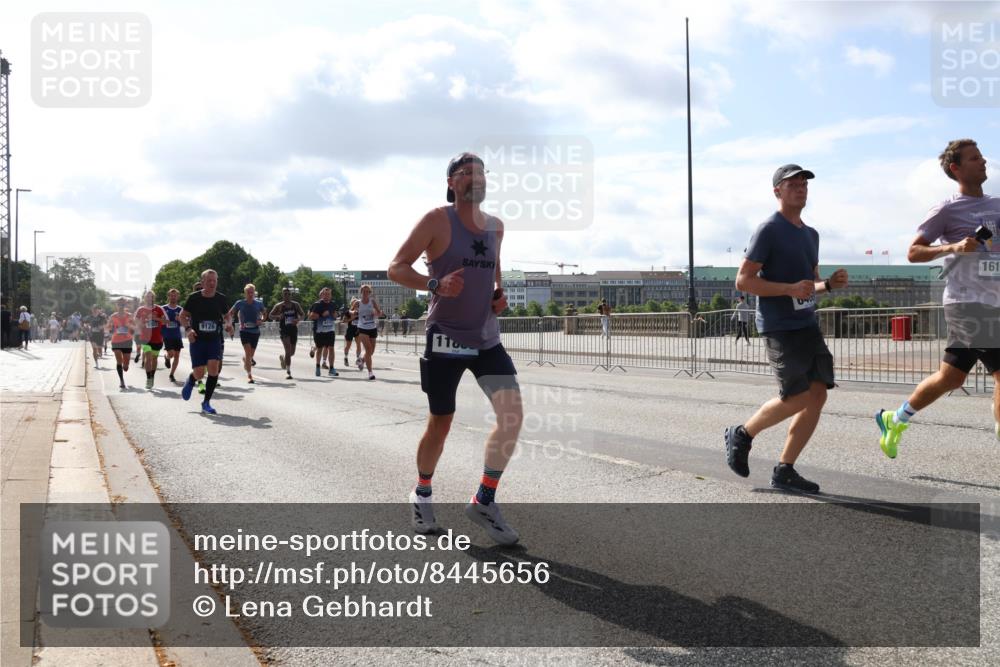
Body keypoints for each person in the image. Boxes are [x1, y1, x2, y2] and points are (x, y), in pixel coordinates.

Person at [388, 151, 522, 544]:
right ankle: (422, 492)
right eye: (466, 173)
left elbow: (494, 273)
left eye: (480, 172)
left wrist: (500, 296)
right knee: (441, 422)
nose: (474, 178)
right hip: (445, 335)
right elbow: (397, 267)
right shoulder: (436, 220)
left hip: (485, 337)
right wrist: (435, 284)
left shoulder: (496, 227)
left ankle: (484, 499)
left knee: (511, 414)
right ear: (451, 183)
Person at [723, 164, 849, 493]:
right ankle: (742, 434)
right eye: (792, 183)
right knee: (797, 396)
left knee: (818, 395)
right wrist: (789, 289)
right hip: (779, 326)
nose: (800, 187)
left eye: (804, 183)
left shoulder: (811, 235)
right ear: (777, 191)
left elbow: (811, 285)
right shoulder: (769, 229)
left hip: (807, 324)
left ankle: (785, 469)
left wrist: (829, 285)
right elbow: (744, 281)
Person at [876, 139, 1000, 449]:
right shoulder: (946, 209)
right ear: (956, 169)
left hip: (995, 303)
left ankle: (896, 418)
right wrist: (953, 247)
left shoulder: (997, 205)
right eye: (975, 158)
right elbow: (914, 252)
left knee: (951, 378)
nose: (983, 161)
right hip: (967, 304)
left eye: (982, 156)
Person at [180, 270, 234, 414]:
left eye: (214, 280)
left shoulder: (221, 299)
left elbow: (227, 315)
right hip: (197, 340)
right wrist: (188, 329)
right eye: (209, 280)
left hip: (214, 339)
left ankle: (206, 402)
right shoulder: (194, 298)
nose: (212, 283)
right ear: (202, 282)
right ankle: (191, 380)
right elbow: (182, 316)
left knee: (213, 369)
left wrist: (229, 324)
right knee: (199, 372)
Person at [228, 283, 266, 383]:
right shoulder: (239, 303)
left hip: (255, 331)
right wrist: (230, 323)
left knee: (250, 355)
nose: (250, 294)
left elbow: (264, 314)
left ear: (254, 293)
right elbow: (230, 313)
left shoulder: (259, 303)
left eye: (252, 292)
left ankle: (246, 360)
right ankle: (250, 376)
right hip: (244, 331)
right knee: (248, 353)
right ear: (245, 293)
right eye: (248, 292)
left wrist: (261, 320)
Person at [270, 287, 305, 380]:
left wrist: (298, 319)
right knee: (288, 349)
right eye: (285, 294)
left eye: (288, 294)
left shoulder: (295, 305)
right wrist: (278, 317)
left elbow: (303, 315)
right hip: (284, 330)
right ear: (282, 295)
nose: (287, 296)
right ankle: (288, 372)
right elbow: (270, 315)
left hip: (293, 329)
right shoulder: (279, 305)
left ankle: (283, 358)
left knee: (291, 352)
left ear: (291, 295)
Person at [135, 291, 166, 390]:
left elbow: (166, 321)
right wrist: (142, 324)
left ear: (154, 298)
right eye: (147, 297)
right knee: (148, 357)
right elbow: (136, 321)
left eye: (151, 297)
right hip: (145, 338)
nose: (149, 298)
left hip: (157, 338)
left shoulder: (159, 309)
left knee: (154, 359)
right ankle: (148, 379)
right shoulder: (141, 310)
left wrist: (156, 318)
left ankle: (152, 376)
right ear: (145, 298)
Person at [308, 287, 340, 378]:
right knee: (320, 348)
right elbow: (311, 316)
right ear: (322, 295)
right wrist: (321, 315)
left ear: (331, 295)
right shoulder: (317, 304)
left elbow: (335, 315)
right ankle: (318, 366)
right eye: (325, 294)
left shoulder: (333, 304)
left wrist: (335, 315)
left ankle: (332, 368)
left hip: (330, 330)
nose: (327, 296)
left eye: (329, 294)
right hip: (320, 330)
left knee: (331, 348)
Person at [355, 284, 383, 380]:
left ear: (370, 293)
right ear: (361, 292)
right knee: (368, 349)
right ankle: (370, 372)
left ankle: (362, 360)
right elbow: (350, 313)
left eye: (368, 291)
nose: (366, 293)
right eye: (364, 291)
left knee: (371, 351)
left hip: (372, 327)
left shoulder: (372, 301)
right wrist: (353, 313)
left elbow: (379, 313)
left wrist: (376, 313)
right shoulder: (357, 303)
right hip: (362, 328)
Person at [107, 299, 135, 390]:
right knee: (119, 361)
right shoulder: (113, 316)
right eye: (119, 304)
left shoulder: (130, 316)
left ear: (125, 305)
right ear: (116, 305)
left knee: (125, 366)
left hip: (127, 341)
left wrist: (129, 327)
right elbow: (108, 327)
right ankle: (122, 381)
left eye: (122, 304)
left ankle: (125, 365)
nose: (121, 305)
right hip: (116, 341)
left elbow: (134, 328)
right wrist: (110, 328)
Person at [161, 289, 185, 382]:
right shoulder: (163, 308)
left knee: (177, 356)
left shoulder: (180, 309)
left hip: (177, 336)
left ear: (178, 297)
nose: (173, 297)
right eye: (171, 295)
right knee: (171, 354)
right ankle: (167, 358)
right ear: (168, 296)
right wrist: (163, 320)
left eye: (175, 295)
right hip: (167, 335)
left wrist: (179, 319)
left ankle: (172, 374)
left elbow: (184, 323)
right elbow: (159, 321)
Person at [342, 298, 361, 367]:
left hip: (357, 330)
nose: (356, 304)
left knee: (358, 344)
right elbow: (343, 320)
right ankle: (346, 357)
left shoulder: (360, 311)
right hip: (350, 330)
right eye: (355, 303)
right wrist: (352, 318)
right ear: (352, 304)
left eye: (357, 303)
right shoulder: (348, 312)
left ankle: (358, 358)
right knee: (348, 345)